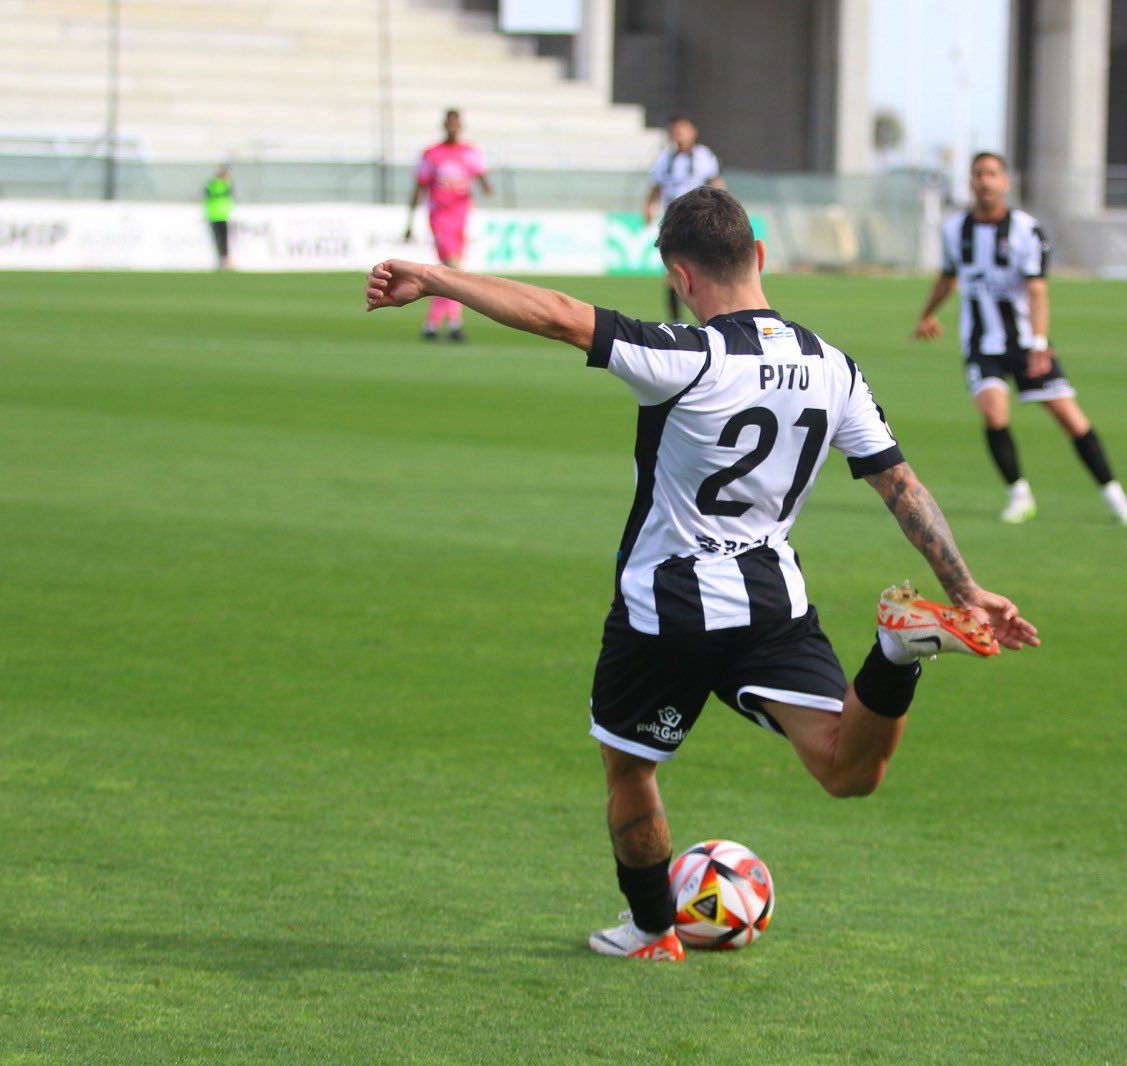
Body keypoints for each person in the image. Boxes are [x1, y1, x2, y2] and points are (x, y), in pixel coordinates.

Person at [366, 187, 1040, 963]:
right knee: (844, 768)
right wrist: (964, 589)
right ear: (759, 256)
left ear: (682, 278)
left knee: (631, 765)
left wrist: (435, 276)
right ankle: (894, 652)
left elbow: (554, 312)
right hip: (771, 602)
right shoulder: (834, 369)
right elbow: (901, 486)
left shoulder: (685, 355)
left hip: (668, 608)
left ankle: (653, 932)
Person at [914, 152, 1127, 526]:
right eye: (978, 175)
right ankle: (1019, 494)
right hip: (981, 344)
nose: (984, 181)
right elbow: (947, 276)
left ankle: (1114, 494)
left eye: (991, 174)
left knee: (1071, 418)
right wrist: (928, 313)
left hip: (1026, 344)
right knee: (993, 413)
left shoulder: (1026, 230)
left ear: (1006, 182)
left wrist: (1039, 343)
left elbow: (1037, 290)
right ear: (971, 183)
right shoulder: (955, 230)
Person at [405, 108, 493, 342]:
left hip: (461, 217)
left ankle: (431, 325)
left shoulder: (470, 152)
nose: (453, 128)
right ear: (445, 126)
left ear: (460, 126)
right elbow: (420, 186)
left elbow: (484, 179)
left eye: (456, 124)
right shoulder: (432, 154)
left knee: (450, 271)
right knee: (453, 269)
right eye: (449, 124)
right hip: (440, 217)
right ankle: (454, 323)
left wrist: (485, 184)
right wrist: (410, 221)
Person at [645, 114, 724, 321]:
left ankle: (710, 318)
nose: (679, 135)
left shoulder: (704, 156)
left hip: (701, 220)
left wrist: (723, 207)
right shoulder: (664, 159)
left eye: (683, 130)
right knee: (673, 275)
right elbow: (655, 187)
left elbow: (716, 183)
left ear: (693, 133)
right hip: (674, 223)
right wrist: (648, 207)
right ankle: (676, 322)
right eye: (675, 130)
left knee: (706, 272)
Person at [204, 165, 233, 271]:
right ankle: (223, 260)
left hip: (216, 215)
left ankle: (222, 260)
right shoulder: (224, 185)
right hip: (219, 215)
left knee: (220, 239)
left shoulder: (212, 184)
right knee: (222, 239)